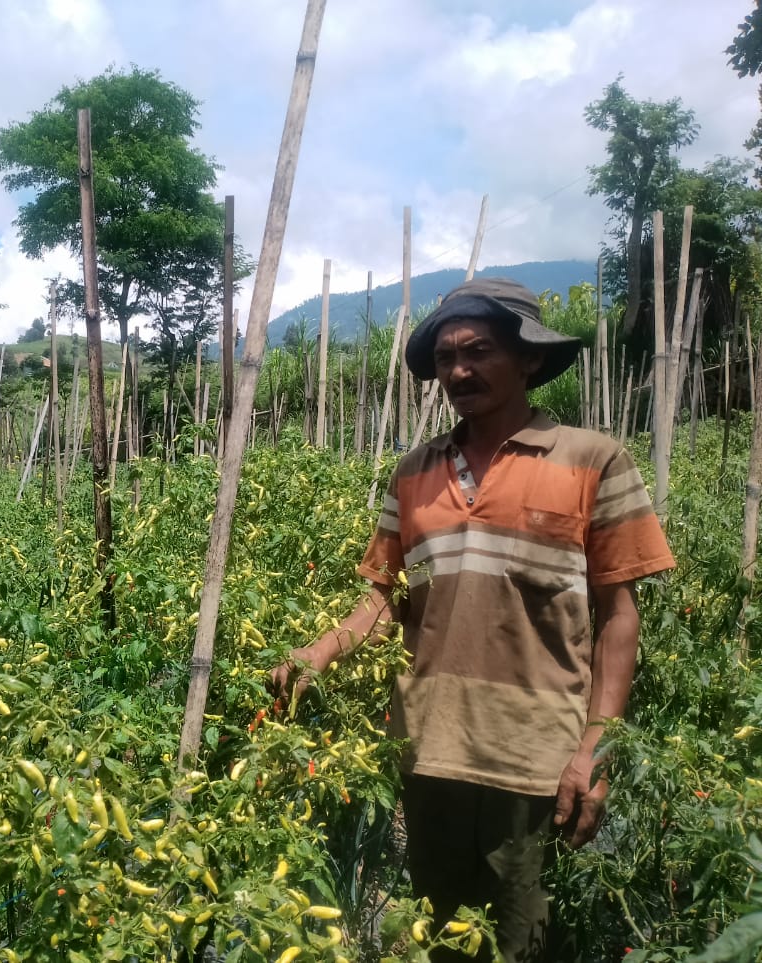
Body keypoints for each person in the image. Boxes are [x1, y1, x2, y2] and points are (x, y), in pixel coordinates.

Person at [271, 278, 674, 962]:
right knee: (440, 937)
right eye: (446, 357)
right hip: (429, 749)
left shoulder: (594, 461)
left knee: (522, 941)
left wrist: (596, 749)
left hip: (538, 758)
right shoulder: (414, 472)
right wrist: (317, 653)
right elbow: (383, 598)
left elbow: (617, 616)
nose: (459, 370)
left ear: (529, 359)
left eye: (479, 351)